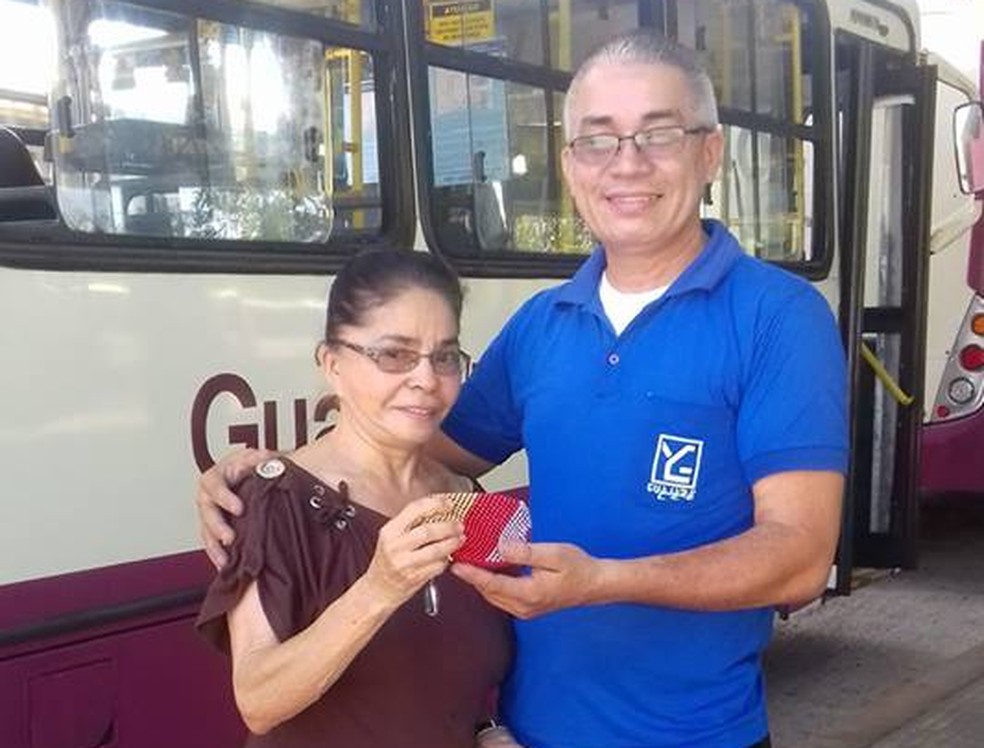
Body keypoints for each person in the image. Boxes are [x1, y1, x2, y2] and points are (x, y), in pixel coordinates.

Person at [198, 31, 847, 748]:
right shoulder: (543, 325)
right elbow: (405, 445)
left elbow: (800, 560)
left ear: (709, 152)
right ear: (570, 167)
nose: (627, 164)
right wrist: (270, 478)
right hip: (531, 734)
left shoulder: (777, 317)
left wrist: (602, 581)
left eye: (657, 134)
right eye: (598, 140)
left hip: (692, 735)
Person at [195, 249, 523, 747]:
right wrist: (379, 588)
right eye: (394, 354)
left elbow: (450, 682)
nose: (426, 379)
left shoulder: (463, 499)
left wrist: (487, 731)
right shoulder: (275, 499)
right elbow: (259, 700)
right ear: (332, 364)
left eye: (445, 357)